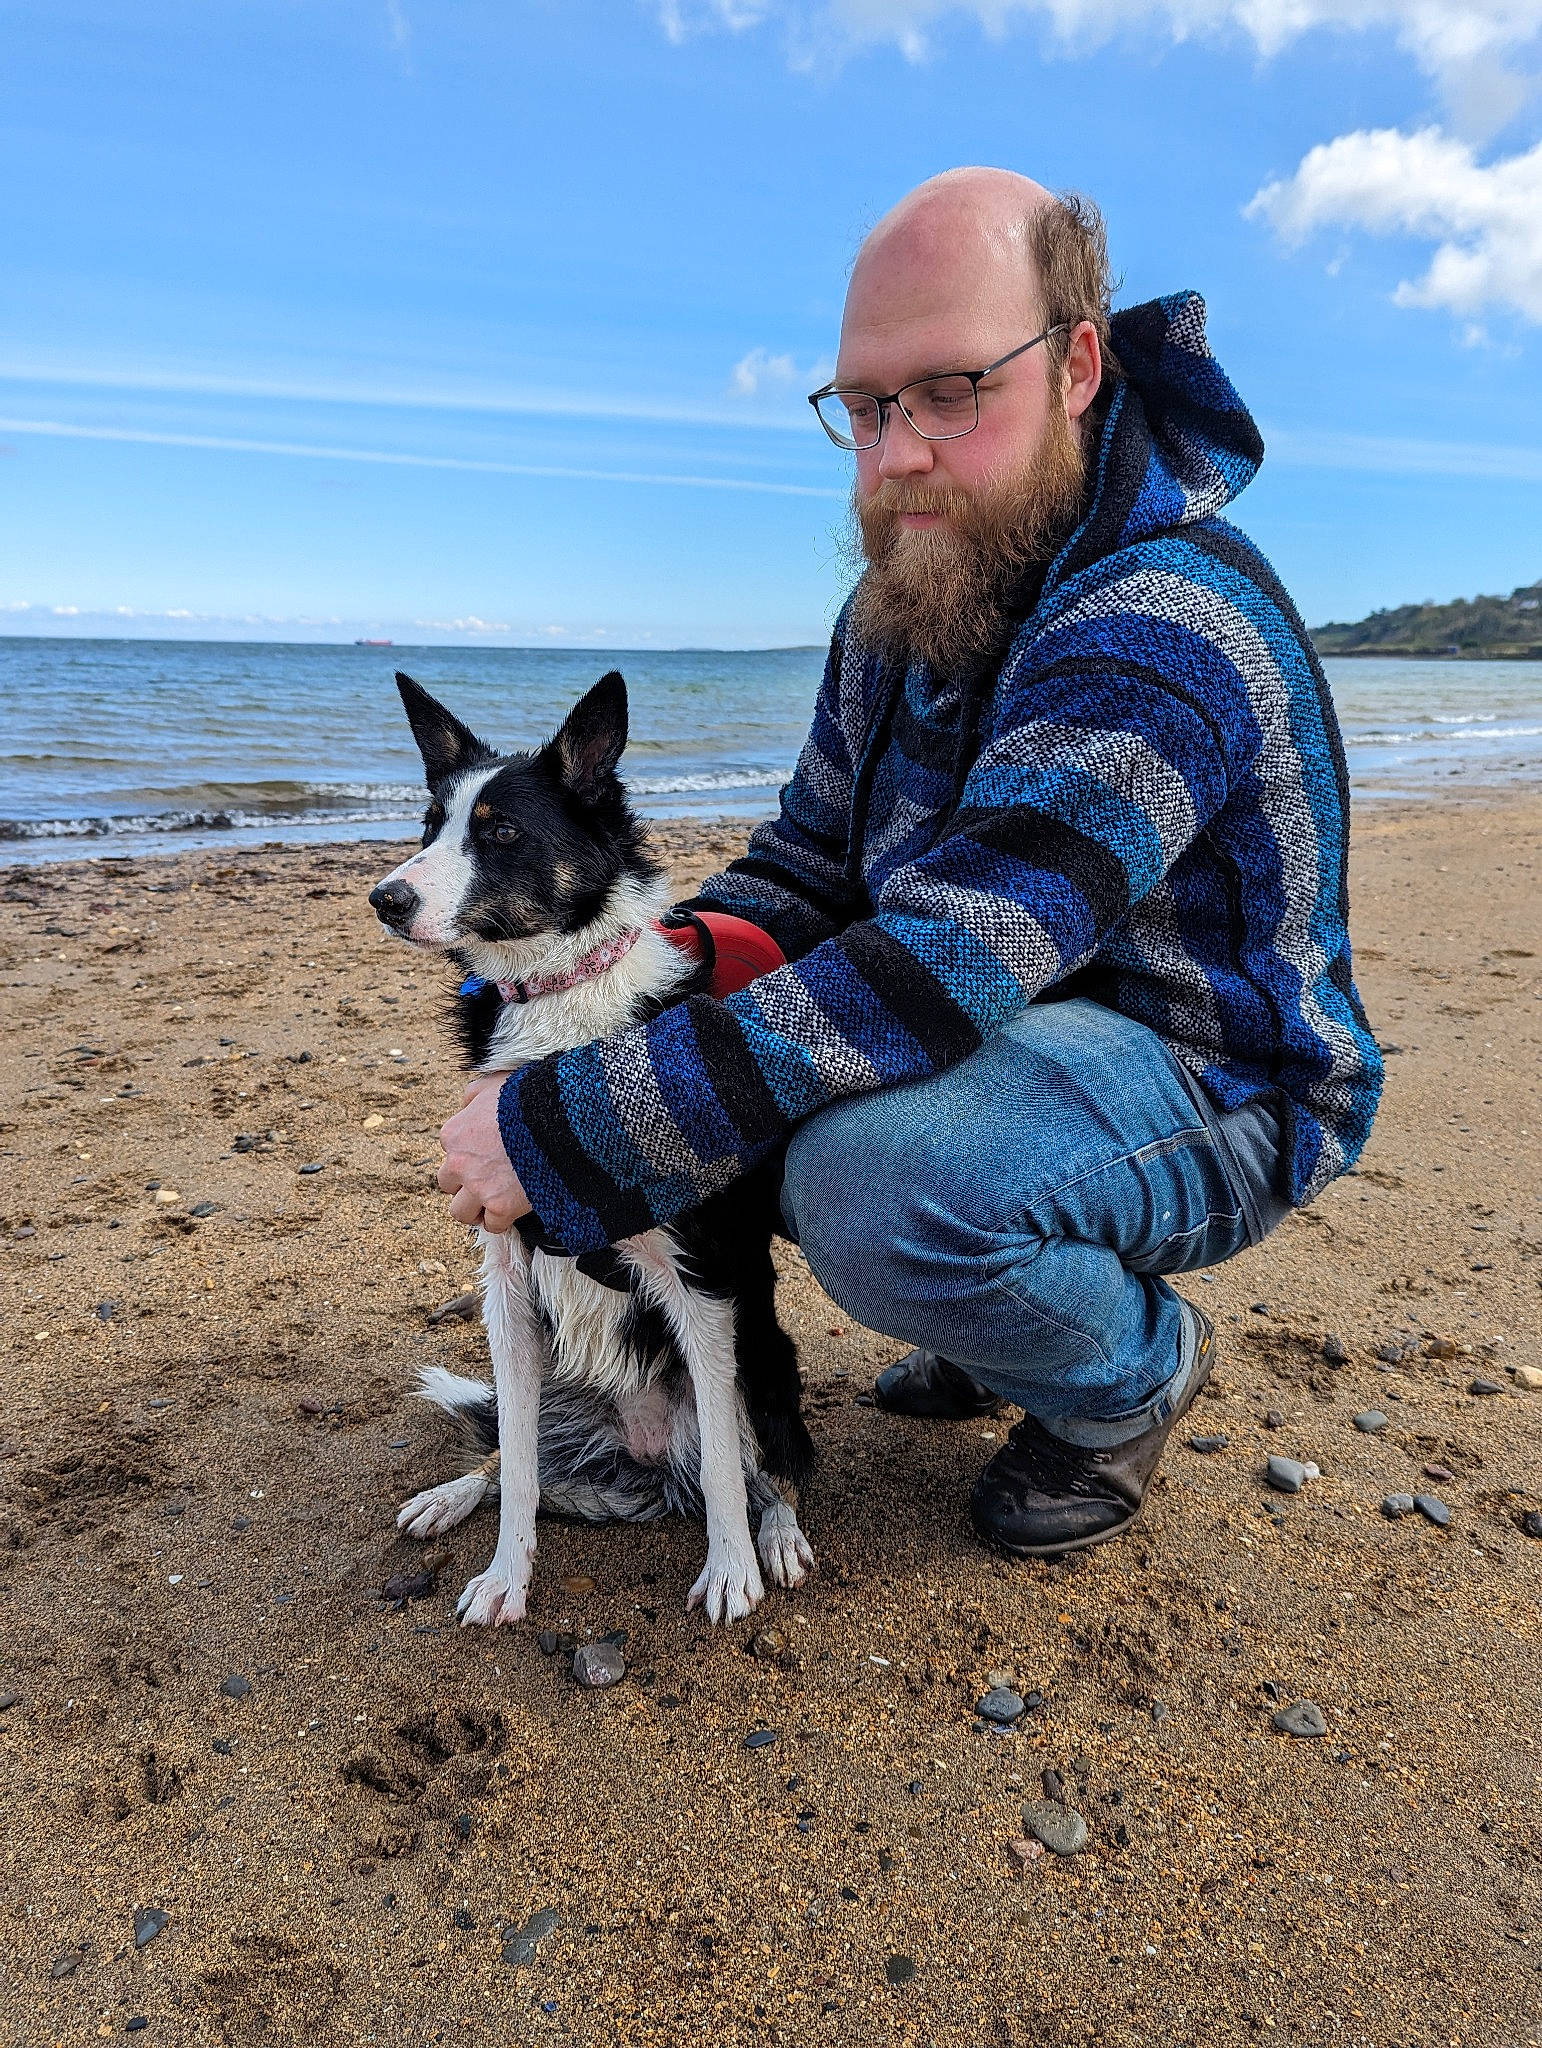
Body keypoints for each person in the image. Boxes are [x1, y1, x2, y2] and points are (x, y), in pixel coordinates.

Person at [438, 166, 1382, 1559]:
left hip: (1219, 1077)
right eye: (867, 407)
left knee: (866, 1183)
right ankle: (1006, 1304)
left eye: (949, 392)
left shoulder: (1163, 622)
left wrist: (566, 1125)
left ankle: (1126, 1371)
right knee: (745, 1086)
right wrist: (628, 986)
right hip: (1024, 1039)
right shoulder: (900, 607)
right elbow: (807, 868)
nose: (896, 458)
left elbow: (948, 957)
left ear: (1076, 366)